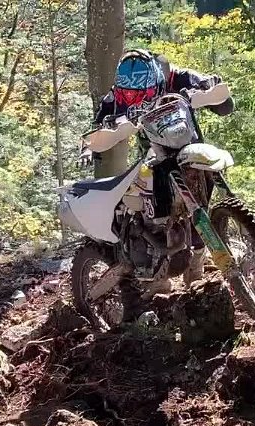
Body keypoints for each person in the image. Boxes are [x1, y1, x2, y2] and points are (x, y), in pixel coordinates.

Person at [86, 49, 234, 286]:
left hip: (189, 148)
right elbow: (97, 126)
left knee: (201, 202)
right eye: (130, 97)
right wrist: (90, 146)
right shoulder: (118, 94)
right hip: (154, 155)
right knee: (155, 210)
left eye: (144, 94)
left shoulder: (178, 77)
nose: (138, 100)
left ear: (158, 80)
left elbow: (223, 103)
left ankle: (198, 258)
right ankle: (158, 270)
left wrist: (212, 89)